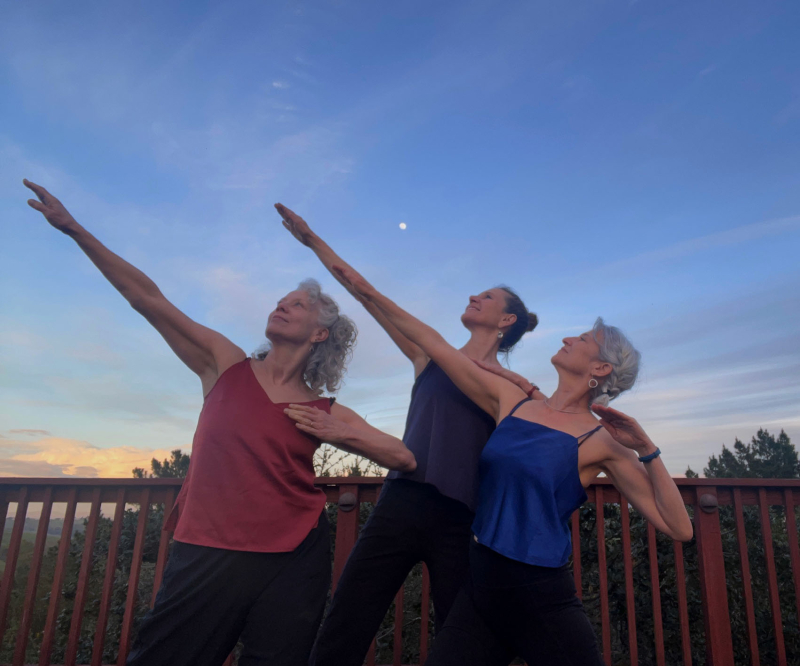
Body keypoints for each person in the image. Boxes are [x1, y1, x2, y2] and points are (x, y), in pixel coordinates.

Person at [22, 180, 416, 666]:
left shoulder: (325, 410)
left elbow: (403, 457)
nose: (282, 304)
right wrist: (74, 229)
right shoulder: (224, 365)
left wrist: (340, 433)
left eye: (298, 304)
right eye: (281, 299)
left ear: (319, 334)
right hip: (207, 549)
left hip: (295, 557)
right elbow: (147, 298)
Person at [331, 262, 694, 666]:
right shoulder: (514, 402)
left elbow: (678, 527)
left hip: (540, 597)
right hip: (481, 589)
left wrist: (646, 448)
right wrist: (364, 288)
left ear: (601, 368)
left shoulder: (601, 439)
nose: (568, 337)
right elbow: (433, 344)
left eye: (584, 338)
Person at [273, 204, 537, 666]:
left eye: (488, 297)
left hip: (463, 518)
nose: (475, 296)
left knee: (460, 636)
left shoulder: (514, 390)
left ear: (506, 321)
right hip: (401, 502)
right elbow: (366, 293)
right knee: (347, 618)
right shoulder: (427, 356)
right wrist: (312, 240)